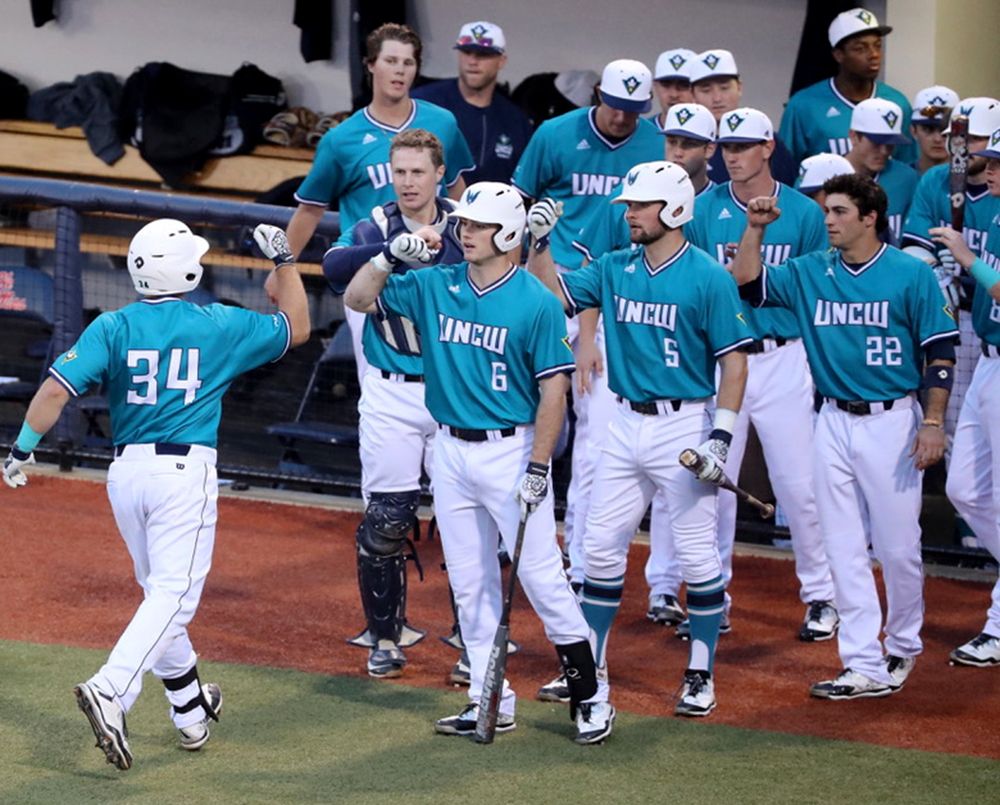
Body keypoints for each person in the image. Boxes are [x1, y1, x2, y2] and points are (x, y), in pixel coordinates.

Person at [2, 219, 310, 769]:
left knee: (158, 597)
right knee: (173, 597)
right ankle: (112, 688)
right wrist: (285, 258)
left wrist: (24, 449)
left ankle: (190, 711)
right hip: (182, 474)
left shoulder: (113, 325)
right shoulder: (218, 323)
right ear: (187, 269)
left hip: (126, 477)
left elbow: (54, 389)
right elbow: (298, 326)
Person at [342, 182, 608, 745]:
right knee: (469, 581)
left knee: (540, 578)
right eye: (464, 223)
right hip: (450, 451)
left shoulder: (534, 301)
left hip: (511, 452)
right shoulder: (437, 284)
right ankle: (489, 698)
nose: (465, 231)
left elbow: (554, 392)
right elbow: (359, 298)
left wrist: (539, 466)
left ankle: (590, 696)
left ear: (508, 233)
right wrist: (389, 256)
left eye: (479, 225)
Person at [528, 160, 751, 717]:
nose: (629, 213)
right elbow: (546, 291)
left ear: (673, 209)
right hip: (624, 422)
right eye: (628, 204)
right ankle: (590, 668)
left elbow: (735, 363)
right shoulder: (614, 266)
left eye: (640, 204)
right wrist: (538, 241)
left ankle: (700, 672)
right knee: (599, 549)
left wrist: (720, 438)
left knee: (698, 555)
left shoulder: (708, 277)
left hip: (683, 422)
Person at [730, 174, 958, 699]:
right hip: (830, 419)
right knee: (843, 547)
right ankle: (861, 662)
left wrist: (931, 422)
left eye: (837, 211)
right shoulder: (812, 270)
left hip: (892, 421)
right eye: (825, 211)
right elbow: (746, 282)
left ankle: (902, 644)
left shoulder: (909, 274)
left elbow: (941, 353)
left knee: (899, 548)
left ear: (869, 216)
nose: (827, 220)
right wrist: (755, 229)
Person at [511, 57, 662, 633]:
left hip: (614, 299)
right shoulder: (555, 134)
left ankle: (576, 556)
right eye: (616, 106)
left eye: (633, 110)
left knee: (597, 435)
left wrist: (594, 330)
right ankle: (521, 539)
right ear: (597, 94)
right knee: (528, 424)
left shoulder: (652, 142)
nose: (623, 119)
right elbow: (517, 200)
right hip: (551, 289)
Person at [686, 107, 838, 642]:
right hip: (724, 357)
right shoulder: (704, 209)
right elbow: (703, 287)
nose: (733, 154)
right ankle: (712, 597)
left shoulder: (802, 211)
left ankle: (822, 595)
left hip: (781, 356)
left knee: (799, 484)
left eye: (744, 145)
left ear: (768, 147)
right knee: (713, 484)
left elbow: (813, 289)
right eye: (727, 145)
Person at [320, 129, 464, 679]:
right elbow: (336, 270)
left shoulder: (467, 221)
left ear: (438, 174)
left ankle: (471, 638)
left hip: (454, 385)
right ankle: (384, 636)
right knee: (385, 518)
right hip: (391, 388)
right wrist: (388, 253)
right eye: (399, 171)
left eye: (418, 172)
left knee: (466, 521)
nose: (408, 182)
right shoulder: (374, 226)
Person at [287, 22, 475, 379]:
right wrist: (282, 269)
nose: (400, 70)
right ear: (370, 64)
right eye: (391, 60)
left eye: (408, 62)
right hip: (370, 274)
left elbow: (458, 190)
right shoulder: (340, 139)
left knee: (449, 373)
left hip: (435, 270)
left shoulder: (442, 123)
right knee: (379, 378)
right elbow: (310, 209)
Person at [902, 97, 1000, 550]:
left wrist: (967, 261)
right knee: (961, 466)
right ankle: (975, 540)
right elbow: (915, 246)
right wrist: (934, 275)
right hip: (967, 328)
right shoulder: (936, 181)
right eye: (959, 139)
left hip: (986, 329)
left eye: (977, 141)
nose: (963, 149)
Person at [931, 128, 1000, 667]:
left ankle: (998, 624)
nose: (989, 170)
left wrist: (966, 258)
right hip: (989, 367)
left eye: (998, 162)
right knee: (965, 489)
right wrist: (954, 276)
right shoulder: (996, 218)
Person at [778, 7, 916, 167]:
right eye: (860, 48)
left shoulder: (897, 103)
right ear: (839, 55)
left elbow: (909, 166)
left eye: (877, 45)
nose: (874, 55)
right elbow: (785, 169)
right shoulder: (803, 105)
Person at [412, 21, 532, 185]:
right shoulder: (424, 102)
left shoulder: (516, 120)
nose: (473, 61)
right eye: (466, 52)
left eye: (483, 54)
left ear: (501, 61)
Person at [688, 49, 797, 185]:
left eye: (724, 88)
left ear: (739, 87)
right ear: (692, 94)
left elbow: (788, 189)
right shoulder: (683, 142)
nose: (717, 98)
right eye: (706, 90)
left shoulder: (762, 138)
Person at [843, 98, 919, 242]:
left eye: (890, 144)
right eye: (876, 142)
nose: (884, 151)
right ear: (854, 136)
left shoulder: (907, 178)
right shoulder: (824, 173)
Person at [909, 85, 960, 174]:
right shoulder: (900, 177)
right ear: (913, 131)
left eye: (945, 131)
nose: (938, 139)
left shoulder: (971, 179)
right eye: (929, 129)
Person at [651, 48, 695, 131]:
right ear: (655, 86)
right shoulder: (637, 132)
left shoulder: (718, 134)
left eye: (684, 85)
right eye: (666, 85)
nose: (674, 94)